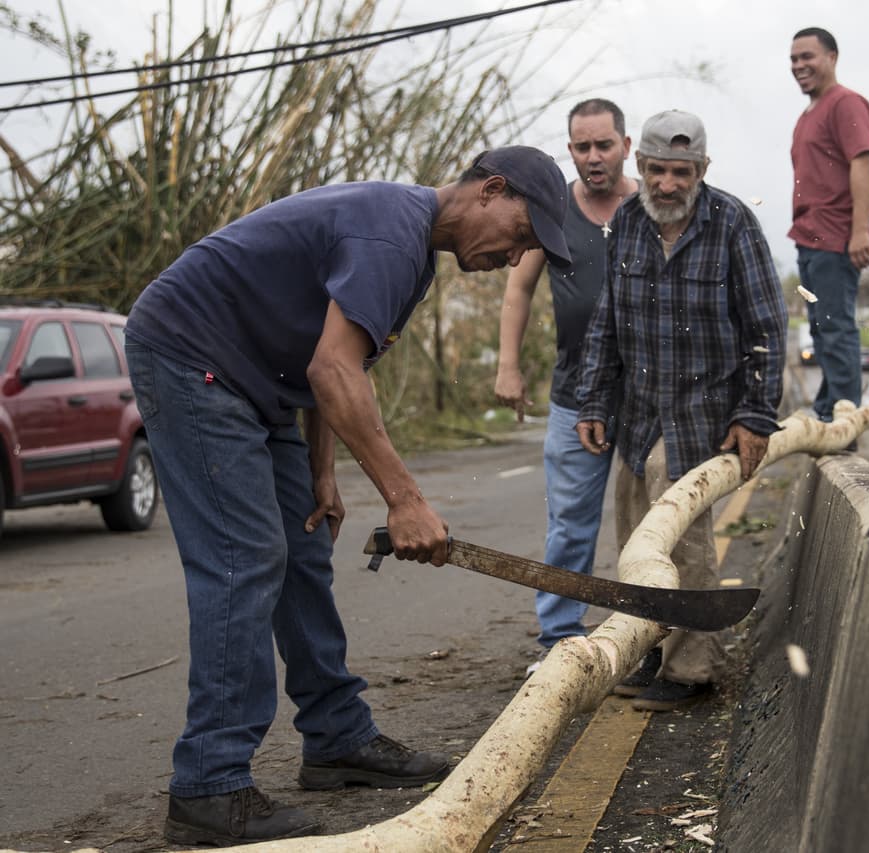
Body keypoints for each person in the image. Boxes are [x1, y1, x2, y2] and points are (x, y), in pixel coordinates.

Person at [124, 146, 571, 846]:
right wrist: (405, 498)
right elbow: (333, 368)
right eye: (520, 236)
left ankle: (336, 737)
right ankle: (209, 783)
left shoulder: (411, 247)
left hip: (257, 380)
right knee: (244, 556)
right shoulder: (390, 234)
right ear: (490, 189)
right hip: (192, 356)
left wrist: (322, 473)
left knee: (301, 543)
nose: (515, 259)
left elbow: (330, 358)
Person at [576, 110, 786, 712]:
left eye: (681, 172)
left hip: (701, 412)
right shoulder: (628, 223)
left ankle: (692, 667)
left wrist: (754, 415)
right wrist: (594, 398)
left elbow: (767, 327)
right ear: (637, 168)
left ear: (701, 171)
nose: (668, 184)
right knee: (635, 532)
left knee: (684, 541)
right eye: (657, 170)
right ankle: (649, 644)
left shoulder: (733, 223)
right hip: (637, 415)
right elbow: (606, 324)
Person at [494, 100, 638, 675]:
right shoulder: (552, 212)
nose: (593, 157)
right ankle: (557, 640)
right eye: (582, 147)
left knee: (646, 524)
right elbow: (518, 289)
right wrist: (508, 365)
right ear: (570, 150)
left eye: (604, 145)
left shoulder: (650, 207)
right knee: (571, 524)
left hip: (646, 396)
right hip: (574, 393)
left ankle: (646, 637)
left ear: (625, 146)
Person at [789, 26, 869, 427]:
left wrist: (860, 230)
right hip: (808, 238)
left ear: (832, 57)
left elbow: (862, 162)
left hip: (835, 235)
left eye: (808, 56)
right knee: (821, 329)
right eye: (794, 59)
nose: (799, 65)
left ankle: (844, 421)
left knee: (836, 328)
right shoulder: (808, 115)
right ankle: (828, 408)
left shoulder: (846, 103)